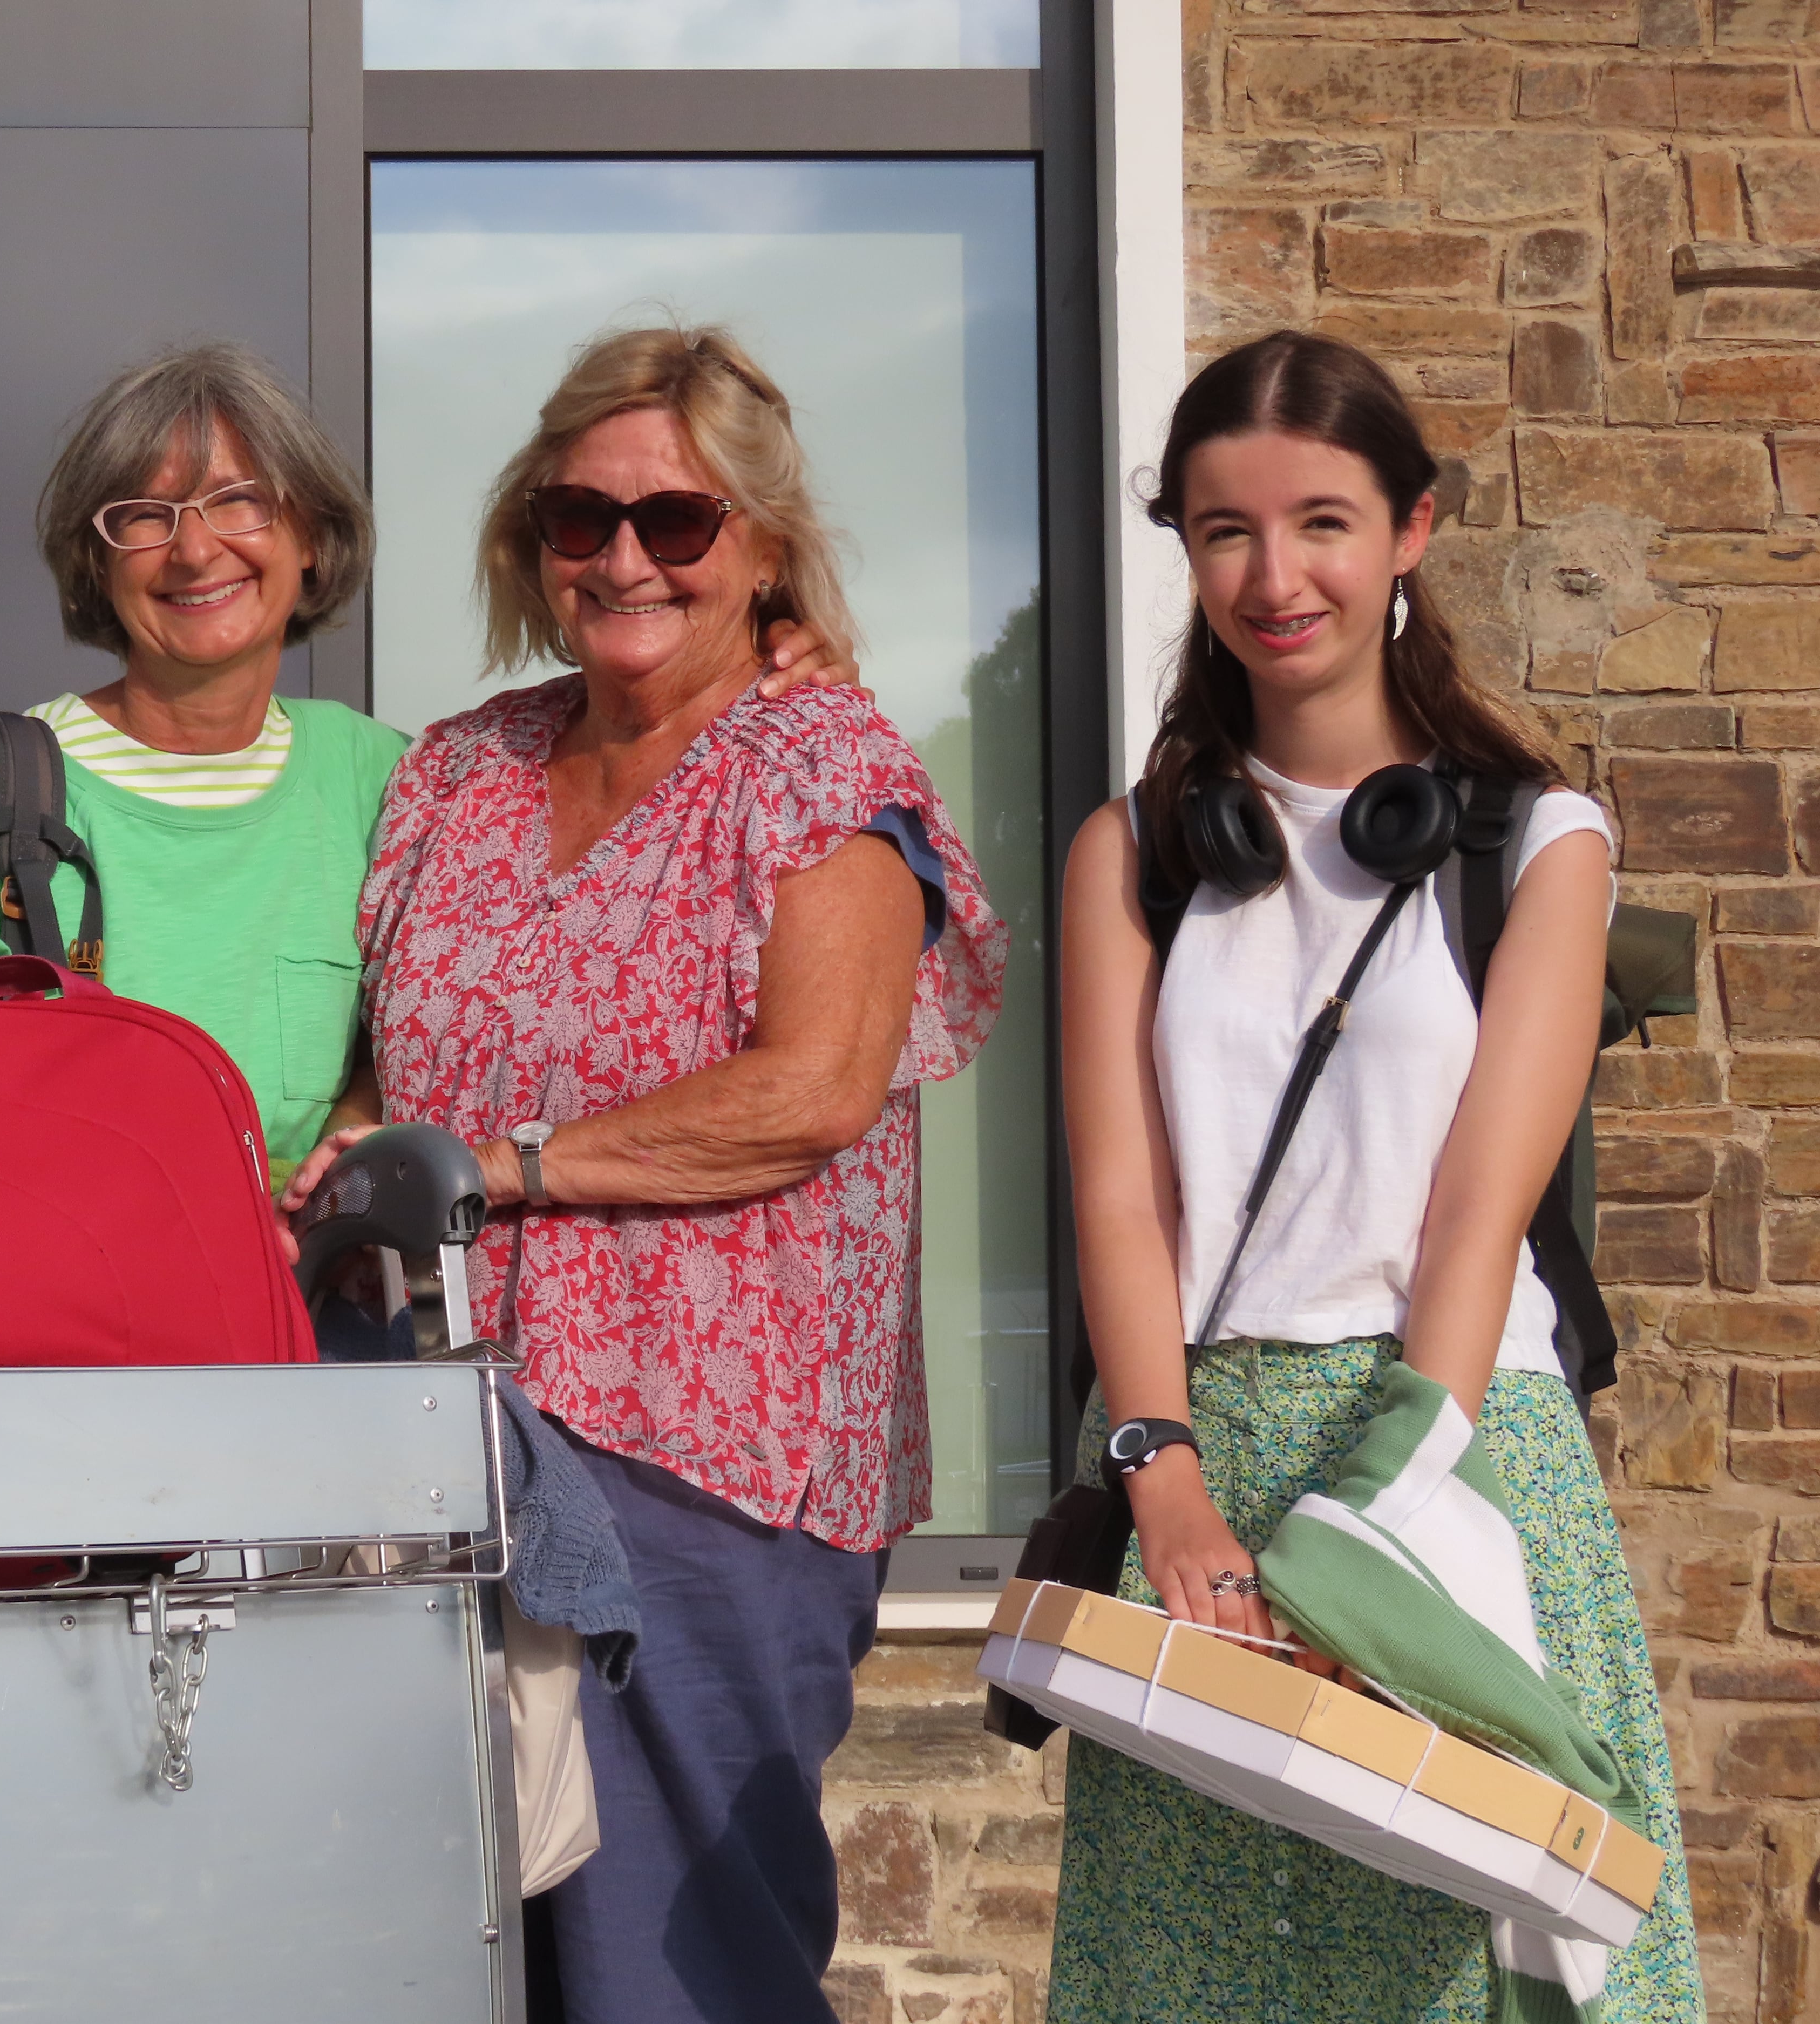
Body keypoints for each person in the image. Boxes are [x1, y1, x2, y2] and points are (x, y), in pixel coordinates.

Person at [289, 324, 1006, 2024]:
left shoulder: (820, 766)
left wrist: (512, 1163)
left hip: (704, 1454)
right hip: (432, 1441)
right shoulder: (457, 770)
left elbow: (814, 1089)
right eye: (579, 517)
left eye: (677, 522)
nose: (624, 557)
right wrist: (363, 1136)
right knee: (441, 1953)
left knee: (679, 1961)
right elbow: (406, 1059)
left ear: (759, 541)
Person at [1047, 330, 1702, 2021]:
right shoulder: (1134, 852)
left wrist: (1382, 1526)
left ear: (1410, 531)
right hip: (1202, 1465)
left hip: (1454, 1453)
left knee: (1472, 1971)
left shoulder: (1538, 844)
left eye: (1324, 522)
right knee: (1208, 1971)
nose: (1278, 576)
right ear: (1186, 553)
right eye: (1226, 532)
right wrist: (1166, 1480)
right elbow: (1125, 1200)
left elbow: (1477, 1213)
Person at [0, 341, 863, 1206]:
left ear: (311, 542)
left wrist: (761, 647)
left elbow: (418, 1056)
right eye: (142, 515)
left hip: (315, 1342)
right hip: (64, 1341)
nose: (196, 550)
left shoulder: (390, 778)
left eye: (238, 502)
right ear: (98, 563)